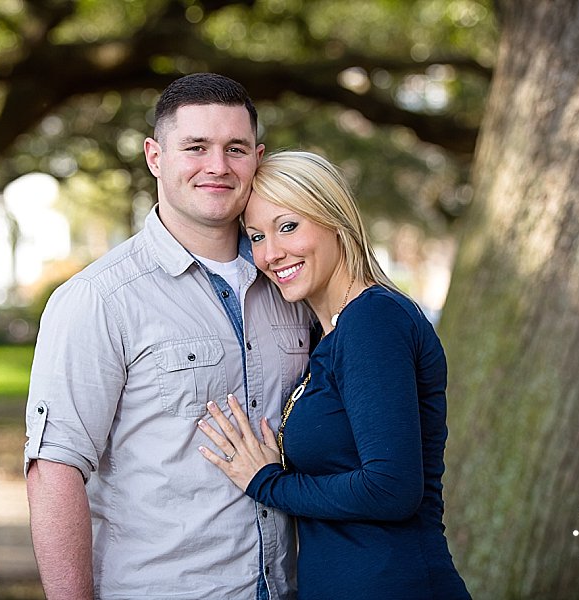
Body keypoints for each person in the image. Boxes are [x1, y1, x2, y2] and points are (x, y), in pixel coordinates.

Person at [24, 74, 311, 599]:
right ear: (155, 157)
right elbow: (54, 470)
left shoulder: (291, 287)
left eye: (235, 149)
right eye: (196, 147)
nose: (218, 166)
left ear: (258, 158)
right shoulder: (99, 300)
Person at [198, 151, 470, 599]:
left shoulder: (373, 321)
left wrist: (267, 482)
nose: (271, 253)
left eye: (288, 226)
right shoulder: (330, 334)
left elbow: (391, 489)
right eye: (257, 237)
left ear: (335, 221)